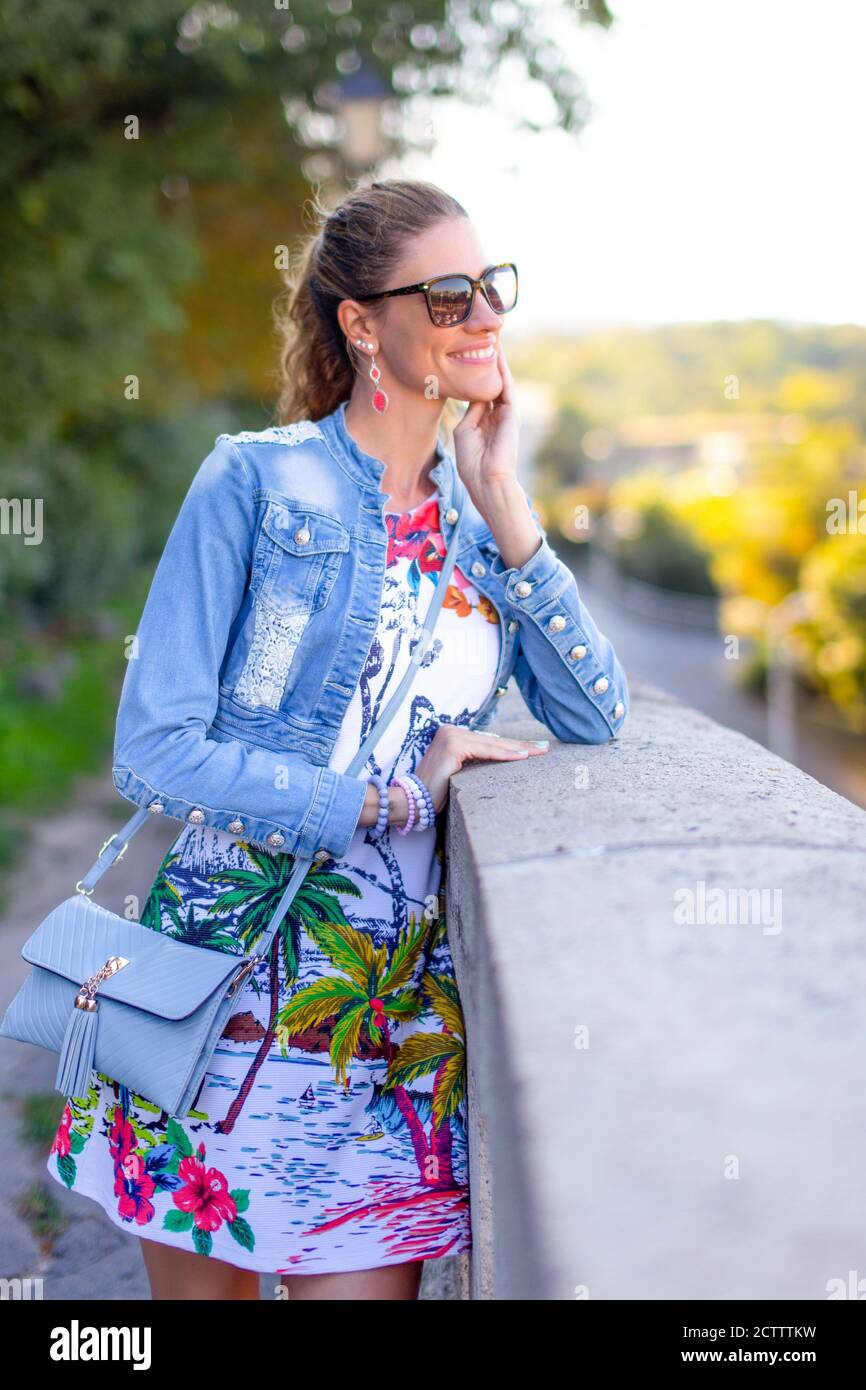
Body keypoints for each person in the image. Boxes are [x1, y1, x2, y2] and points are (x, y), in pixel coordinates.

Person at [45, 178, 628, 1300]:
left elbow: (592, 714)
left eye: (489, 288)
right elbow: (155, 750)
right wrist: (389, 801)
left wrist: (504, 501)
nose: (483, 317)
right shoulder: (255, 482)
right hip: (213, 1003)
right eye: (448, 293)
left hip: (386, 1026)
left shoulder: (475, 531)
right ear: (362, 323)